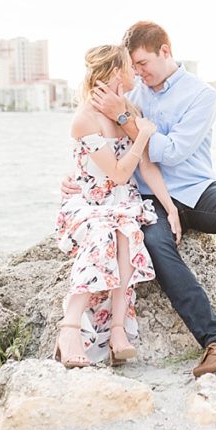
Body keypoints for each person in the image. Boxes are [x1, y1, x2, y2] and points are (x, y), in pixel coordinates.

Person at [61, 21, 216, 377]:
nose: (138, 72)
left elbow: (173, 152)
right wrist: (74, 177)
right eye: (132, 65)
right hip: (148, 196)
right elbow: (95, 139)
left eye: (143, 63)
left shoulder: (201, 94)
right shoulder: (130, 93)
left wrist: (125, 118)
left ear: (165, 51)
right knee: (155, 245)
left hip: (195, 189)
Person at [53, 44, 182, 368]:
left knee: (126, 233)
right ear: (115, 72)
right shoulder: (84, 119)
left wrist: (171, 208)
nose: (135, 73)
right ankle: (69, 327)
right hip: (88, 200)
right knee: (103, 233)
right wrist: (142, 137)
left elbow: (148, 167)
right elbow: (119, 172)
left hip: (121, 201)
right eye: (130, 67)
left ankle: (117, 331)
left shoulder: (127, 109)